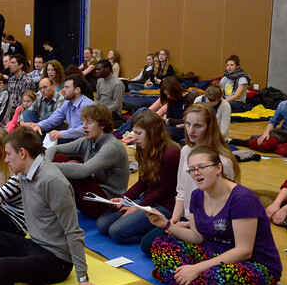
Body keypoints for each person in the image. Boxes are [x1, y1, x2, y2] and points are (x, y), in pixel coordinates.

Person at [0, 127, 112, 285]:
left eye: (9, 154)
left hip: (56, 260)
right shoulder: (24, 173)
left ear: (22, 153)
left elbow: (73, 231)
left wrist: (83, 278)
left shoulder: (52, 180)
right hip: (34, 245)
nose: (6, 160)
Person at [146, 146, 281, 285]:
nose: (196, 173)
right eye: (192, 170)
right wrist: (166, 224)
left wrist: (196, 269)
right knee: (160, 244)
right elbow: (197, 237)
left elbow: (244, 251)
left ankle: (173, 276)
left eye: (202, 167)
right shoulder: (196, 195)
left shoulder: (242, 199)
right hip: (213, 256)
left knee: (218, 276)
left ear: (218, 168)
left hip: (254, 265)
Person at [140, 103, 240, 256]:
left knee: (154, 247)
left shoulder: (223, 162)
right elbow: (181, 190)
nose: (191, 130)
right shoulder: (186, 150)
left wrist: (187, 225)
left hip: (211, 224)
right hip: (188, 218)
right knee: (147, 245)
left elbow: (227, 207)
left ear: (209, 127)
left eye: (198, 126)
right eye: (187, 124)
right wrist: (174, 220)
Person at [96, 111, 179, 244]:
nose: (134, 137)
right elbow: (142, 182)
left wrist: (138, 207)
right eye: (134, 132)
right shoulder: (144, 147)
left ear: (153, 133)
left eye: (138, 134)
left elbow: (164, 190)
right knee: (102, 225)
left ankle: (160, 235)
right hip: (146, 200)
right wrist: (124, 199)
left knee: (116, 232)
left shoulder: (171, 153)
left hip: (164, 205)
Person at [46, 104, 129, 219]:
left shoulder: (112, 147)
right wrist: (46, 163)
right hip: (90, 198)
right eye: (83, 122)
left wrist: (46, 167)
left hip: (107, 204)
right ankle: (54, 203)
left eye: (88, 123)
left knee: (74, 167)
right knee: (59, 157)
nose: (84, 126)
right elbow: (54, 148)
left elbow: (83, 171)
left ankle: (54, 203)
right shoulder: (89, 141)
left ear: (103, 125)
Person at [25, 74, 94, 144]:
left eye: (67, 88)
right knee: (45, 137)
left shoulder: (88, 105)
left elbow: (86, 129)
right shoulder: (67, 103)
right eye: (64, 87)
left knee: (48, 142)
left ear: (77, 90)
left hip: (85, 142)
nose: (63, 90)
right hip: (72, 138)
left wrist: (61, 134)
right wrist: (38, 126)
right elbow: (52, 119)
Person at [247, 87, 287, 156]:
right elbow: (273, 121)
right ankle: (248, 141)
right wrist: (266, 133)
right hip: (284, 133)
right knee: (263, 144)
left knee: (283, 150)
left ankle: (276, 145)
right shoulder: (284, 105)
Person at [94, 59, 125, 125]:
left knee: (96, 122)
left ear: (107, 69)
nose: (96, 71)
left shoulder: (117, 84)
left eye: (99, 69)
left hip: (113, 112)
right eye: (96, 69)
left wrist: (102, 111)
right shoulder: (99, 81)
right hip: (101, 110)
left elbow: (116, 105)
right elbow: (97, 98)